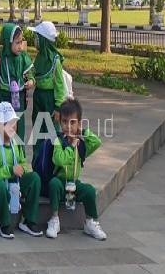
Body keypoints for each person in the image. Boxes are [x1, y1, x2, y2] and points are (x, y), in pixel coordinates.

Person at [45, 98, 106, 240]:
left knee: (90, 191)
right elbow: (59, 159)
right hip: (60, 183)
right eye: (65, 122)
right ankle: (54, 220)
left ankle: (90, 222)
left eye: (72, 122)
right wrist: (72, 148)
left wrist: (82, 131)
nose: (68, 126)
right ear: (60, 123)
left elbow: (97, 142)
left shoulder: (81, 144)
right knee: (53, 184)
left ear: (78, 123)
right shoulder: (58, 141)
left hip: (73, 183)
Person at [0, 102, 43, 239]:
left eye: (14, 123)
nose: (12, 127)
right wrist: (11, 171)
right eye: (7, 124)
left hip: (15, 181)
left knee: (34, 178)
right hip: (1, 183)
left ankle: (28, 220)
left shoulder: (16, 144)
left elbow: (22, 163)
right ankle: (4, 223)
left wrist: (21, 171)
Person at [28, 21, 66, 156]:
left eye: (36, 37)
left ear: (43, 40)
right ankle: (37, 162)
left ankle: (52, 163)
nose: (34, 40)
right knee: (38, 131)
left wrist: (58, 107)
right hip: (39, 98)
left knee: (52, 134)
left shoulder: (55, 61)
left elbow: (60, 86)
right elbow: (33, 71)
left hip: (50, 100)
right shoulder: (39, 58)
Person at [0, 24, 34, 142]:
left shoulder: (23, 58)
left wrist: (31, 81)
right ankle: (0, 152)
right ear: (8, 42)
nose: (20, 46)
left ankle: (19, 154)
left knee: (18, 126)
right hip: (4, 97)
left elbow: (29, 74)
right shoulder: (0, 59)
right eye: (16, 43)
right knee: (2, 125)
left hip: (18, 99)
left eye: (21, 42)